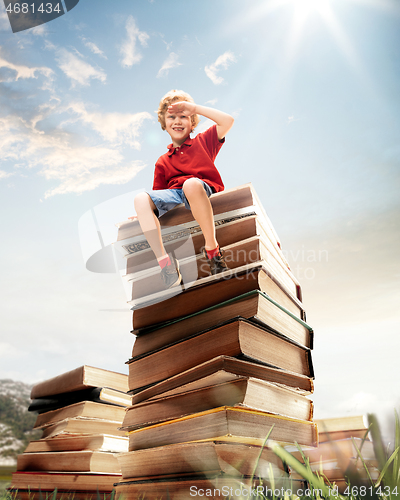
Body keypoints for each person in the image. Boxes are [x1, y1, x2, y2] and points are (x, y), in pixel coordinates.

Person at [133, 89, 234, 289]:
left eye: (183, 116)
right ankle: (166, 264)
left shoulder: (204, 142)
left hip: (198, 189)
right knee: (139, 198)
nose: (177, 121)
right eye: (172, 117)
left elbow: (228, 121)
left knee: (191, 184)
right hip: (175, 195)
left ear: (192, 122)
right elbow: (158, 198)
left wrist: (194, 108)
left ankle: (212, 251)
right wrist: (142, 211)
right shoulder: (162, 162)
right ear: (164, 123)